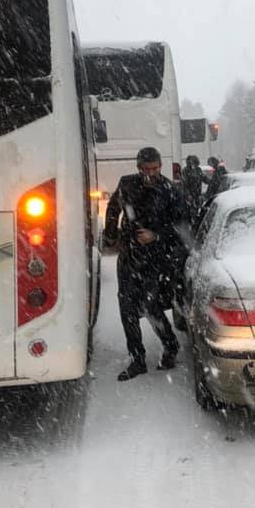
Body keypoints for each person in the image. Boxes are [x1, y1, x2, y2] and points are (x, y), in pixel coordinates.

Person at [104, 147, 187, 381]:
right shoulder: (128, 184)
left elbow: (182, 225)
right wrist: (111, 234)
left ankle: (170, 346)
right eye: (145, 169)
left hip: (157, 259)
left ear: (160, 166)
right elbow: (113, 209)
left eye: (154, 169)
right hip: (130, 257)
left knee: (151, 306)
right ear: (138, 168)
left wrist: (156, 235)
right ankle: (137, 359)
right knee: (127, 309)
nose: (150, 173)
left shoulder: (170, 190)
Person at [181, 154, 204, 223]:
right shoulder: (185, 171)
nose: (195, 165)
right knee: (189, 212)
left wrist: (211, 181)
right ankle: (190, 224)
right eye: (194, 163)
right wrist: (188, 194)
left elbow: (203, 178)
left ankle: (194, 223)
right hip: (189, 196)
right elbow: (184, 184)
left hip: (197, 194)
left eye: (196, 164)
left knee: (196, 210)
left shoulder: (198, 170)